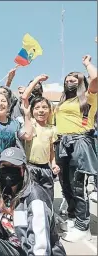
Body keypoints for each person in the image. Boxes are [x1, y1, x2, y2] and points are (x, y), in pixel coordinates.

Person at [0, 147, 66, 256]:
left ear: (23, 169)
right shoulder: (2, 191)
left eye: (13, 167)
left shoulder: (35, 198)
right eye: (4, 166)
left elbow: (40, 248)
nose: (8, 170)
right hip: (13, 247)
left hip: (33, 250)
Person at [54, 55, 98, 242]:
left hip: (79, 142)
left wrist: (87, 64)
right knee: (65, 184)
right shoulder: (63, 102)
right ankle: (72, 217)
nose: (69, 81)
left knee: (77, 185)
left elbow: (95, 79)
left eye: (74, 79)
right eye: (67, 79)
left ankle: (83, 225)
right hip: (62, 144)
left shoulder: (88, 97)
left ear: (81, 82)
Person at [24, 96, 59, 200]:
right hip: (30, 167)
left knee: (48, 196)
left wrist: (53, 165)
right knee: (32, 196)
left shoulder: (52, 129)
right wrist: (27, 117)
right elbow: (25, 97)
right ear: (32, 110)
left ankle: (48, 215)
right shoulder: (30, 125)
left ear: (50, 110)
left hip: (45, 168)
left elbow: (51, 150)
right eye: (37, 108)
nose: (41, 111)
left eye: (44, 107)